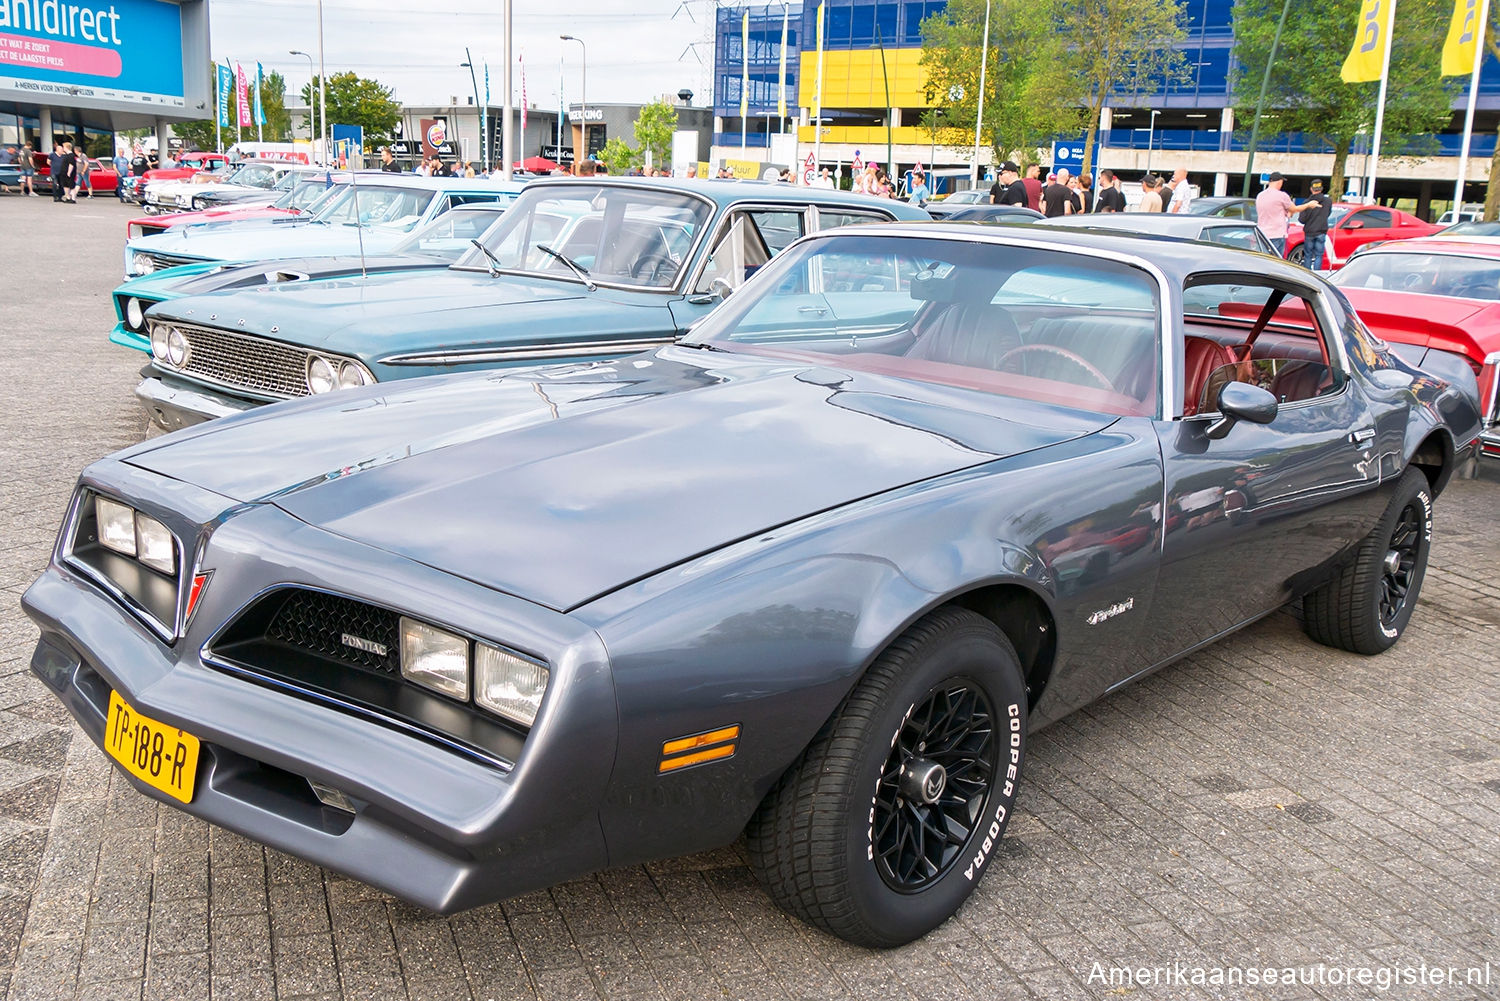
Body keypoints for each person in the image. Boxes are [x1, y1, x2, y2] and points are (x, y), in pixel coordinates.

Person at [1254, 172, 1307, 257]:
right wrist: (1308, 205)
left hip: (1262, 234)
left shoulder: (1260, 196)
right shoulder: (1281, 195)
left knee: (1264, 259)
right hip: (1277, 234)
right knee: (1276, 261)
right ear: (1279, 182)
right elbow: (1294, 209)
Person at [1297, 179, 1333, 270]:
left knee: (1308, 255)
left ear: (1311, 189)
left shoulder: (1306, 203)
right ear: (1321, 189)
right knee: (1319, 255)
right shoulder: (1328, 201)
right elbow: (1328, 213)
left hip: (1309, 232)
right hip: (1321, 231)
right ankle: (1317, 274)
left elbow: (1302, 220)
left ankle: (1307, 274)